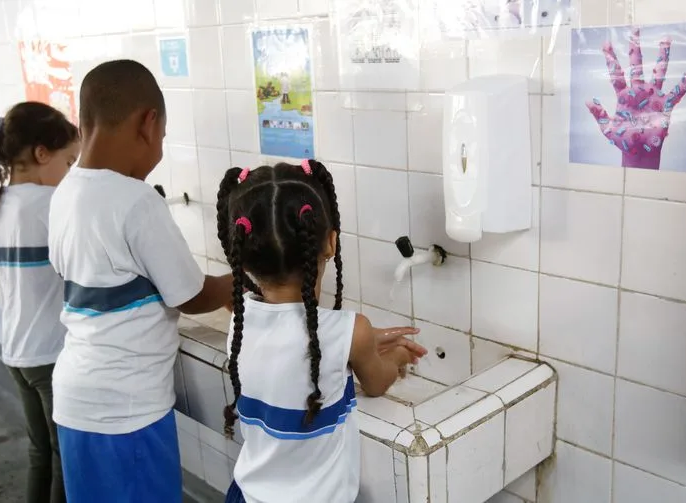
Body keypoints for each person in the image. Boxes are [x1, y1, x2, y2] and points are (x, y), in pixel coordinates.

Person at [47, 59, 233, 503]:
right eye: (164, 138)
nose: (160, 150)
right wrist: (244, 279)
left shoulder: (65, 192)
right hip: (126, 411)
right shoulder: (136, 201)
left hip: (77, 400)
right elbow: (192, 295)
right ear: (148, 124)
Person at [216, 159, 427, 503]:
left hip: (246, 494)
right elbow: (377, 382)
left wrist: (361, 341)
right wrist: (399, 354)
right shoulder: (349, 331)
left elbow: (290, 342)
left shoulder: (241, 320)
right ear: (331, 243)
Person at [0, 102, 79, 503]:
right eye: (69, 163)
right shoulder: (48, 204)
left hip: (16, 351)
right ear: (41, 154)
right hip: (49, 355)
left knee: (40, 454)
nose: (69, 175)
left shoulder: (0, 202)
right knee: (66, 457)